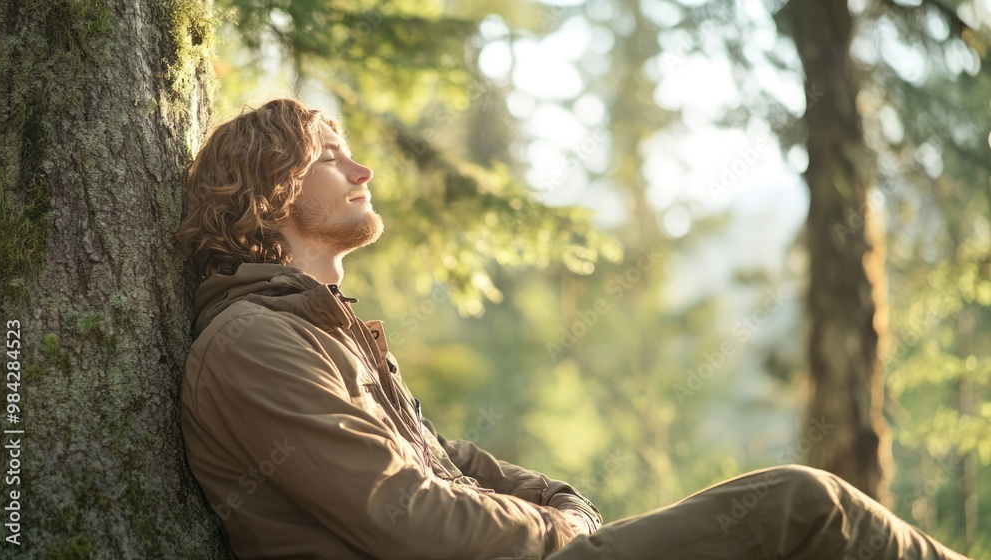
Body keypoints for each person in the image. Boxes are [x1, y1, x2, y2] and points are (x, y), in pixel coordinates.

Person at [176, 98, 971, 560]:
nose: (362, 172)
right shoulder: (253, 344)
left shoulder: (319, 328)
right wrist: (558, 531)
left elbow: (445, 458)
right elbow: (404, 513)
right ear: (270, 191)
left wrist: (560, 497)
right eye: (329, 156)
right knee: (804, 506)